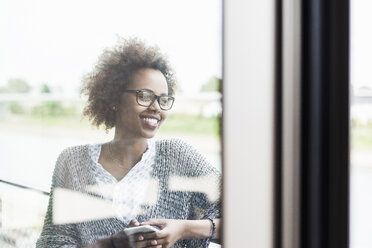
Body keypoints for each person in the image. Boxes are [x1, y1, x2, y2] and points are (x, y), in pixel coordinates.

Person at [36, 38, 221, 248]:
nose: (156, 107)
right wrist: (112, 244)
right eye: (144, 96)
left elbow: (249, 216)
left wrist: (185, 228)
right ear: (114, 98)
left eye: (163, 99)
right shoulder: (72, 162)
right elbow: (52, 244)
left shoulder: (180, 156)